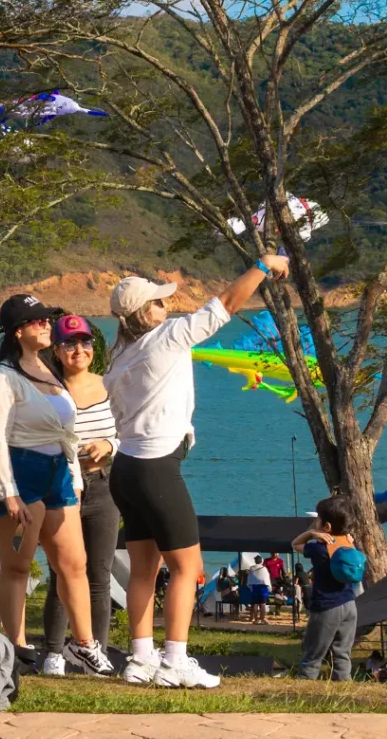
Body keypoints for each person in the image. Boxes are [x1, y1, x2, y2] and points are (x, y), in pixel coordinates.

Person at [104, 257, 289, 689]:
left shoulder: (119, 359)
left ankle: (141, 659)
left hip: (126, 470)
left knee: (144, 570)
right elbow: (226, 302)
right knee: (188, 567)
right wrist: (263, 265)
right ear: (145, 314)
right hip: (156, 469)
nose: (166, 308)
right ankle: (175, 660)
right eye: (158, 303)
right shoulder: (167, 338)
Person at [0, 294, 113, 676]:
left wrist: (73, 477)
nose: (46, 326)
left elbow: (65, 431)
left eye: (46, 321)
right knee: (18, 567)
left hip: (58, 470)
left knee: (75, 564)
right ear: (19, 330)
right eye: (38, 322)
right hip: (20, 472)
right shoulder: (2, 376)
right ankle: (17, 650)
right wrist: (9, 492)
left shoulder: (46, 369)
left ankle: (85, 646)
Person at [40, 314, 120, 676]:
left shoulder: (110, 386)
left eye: (85, 342)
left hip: (104, 486)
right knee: (63, 570)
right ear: (56, 350)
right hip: (61, 487)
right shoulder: (48, 391)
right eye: (69, 343)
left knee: (99, 573)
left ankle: (94, 652)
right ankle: (54, 652)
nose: (78, 350)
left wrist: (109, 443)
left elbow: (130, 431)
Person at [292, 494, 358, 681]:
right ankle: (343, 687)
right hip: (349, 604)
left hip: (327, 606)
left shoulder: (318, 548)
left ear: (326, 527)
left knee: (313, 654)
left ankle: (304, 687)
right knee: (343, 653)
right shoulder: (350, 543)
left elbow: (295, 544)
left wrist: (312, 534)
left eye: (318, 520)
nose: (315, 522)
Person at [246, 555, 272, 625]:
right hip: (263, 588)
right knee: (263, 604)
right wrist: (269, 588)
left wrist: (250, 587)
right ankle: (262, 619)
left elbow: (249, 579)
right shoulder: (264, 568)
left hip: (254, 587)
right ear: (261, 561)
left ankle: (256, 619)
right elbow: (267, 579)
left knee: (255, 604)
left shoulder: (252, 568)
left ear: (255, 561)